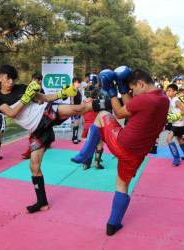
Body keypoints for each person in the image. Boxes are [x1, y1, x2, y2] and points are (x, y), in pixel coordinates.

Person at [0, 64, 110, 214]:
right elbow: (11, 113)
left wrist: (62, 94)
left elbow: (46, 98)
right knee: (34, 167)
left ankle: (117, 103)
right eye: (7, 78)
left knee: (77, 109)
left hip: (45, 112)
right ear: (0, 78)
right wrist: (25, 98)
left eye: (13, 79)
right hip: (36, 130)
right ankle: (42, 202)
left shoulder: (22, 87)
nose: (11, 82)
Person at [72, 66, 169, 236]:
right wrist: (123, 90)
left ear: (140, 83)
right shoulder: (164, 99)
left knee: (102, 114)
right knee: (122, 184)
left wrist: (111, 90)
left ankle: (86, 153)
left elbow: (119, 112)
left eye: (133, 90)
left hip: (122, 144)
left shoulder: (143, 100)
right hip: (138, 154)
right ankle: (113, 224)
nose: (133, 94)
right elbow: (132, 105)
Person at [73, 85, 104, 170]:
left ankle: (85, 164)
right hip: (96, 125)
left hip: (87, 126)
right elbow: (101, 113)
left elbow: (82, 115)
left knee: (89, 144)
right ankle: (96, 162)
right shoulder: (96, 102)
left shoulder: (83, 102)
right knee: (100, 143)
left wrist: (84, 125)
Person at [166, 83, 184, 166]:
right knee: (180, 139)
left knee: (168, 139)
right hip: (177, 123)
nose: (168, 92)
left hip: (178, 124)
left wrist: (175, 116)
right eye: (167, 91)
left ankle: (176, 158)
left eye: (170, 91)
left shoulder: (176, 101)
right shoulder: (171, 100)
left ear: (175, 92)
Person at [21, 72, 45, 159]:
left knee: (32, 133)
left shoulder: (41, 91)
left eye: (36, 79)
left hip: (37, 115)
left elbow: (39, 103)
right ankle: (43, 144)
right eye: (33, 79)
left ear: (40, 81)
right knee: (34, 133)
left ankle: (30, 151)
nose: (33, 80)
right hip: (31, 114)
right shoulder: (29, 89)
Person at [71, 77, 83, 144]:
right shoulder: (72, 91)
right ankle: (75, 138)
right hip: (75, 109)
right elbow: (72, 101)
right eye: (78, 83)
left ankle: (75, 137)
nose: (80, 84)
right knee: (76, 123)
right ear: (74, 83)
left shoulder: (78, 91)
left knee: (77, 123)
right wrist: (73, 110)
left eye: (80, 83)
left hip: (79, 109)